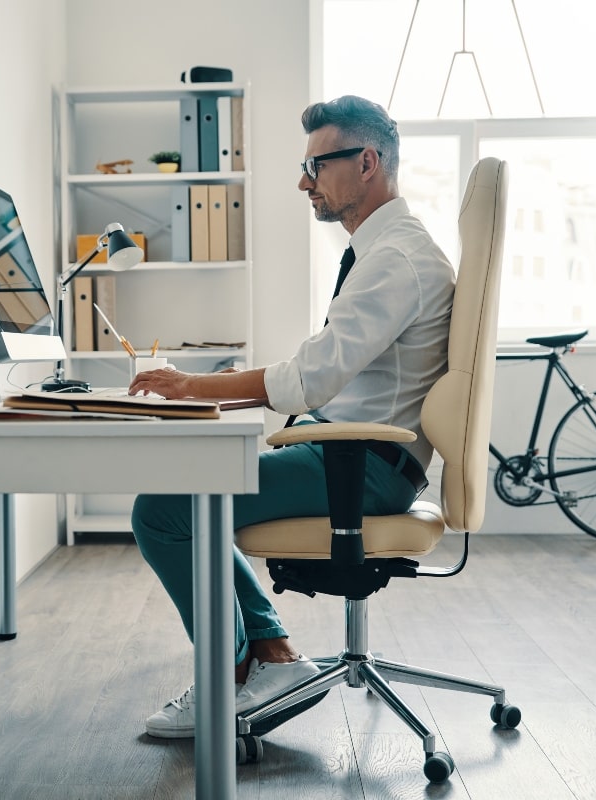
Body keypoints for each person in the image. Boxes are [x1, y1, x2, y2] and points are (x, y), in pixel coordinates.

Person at [128, 95, 456, 739]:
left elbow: (312, 377)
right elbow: (325, 374)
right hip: (350, 447)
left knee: (163, 509)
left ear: (368, 163)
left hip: (362, 466)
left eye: (316, 165)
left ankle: (230, 677)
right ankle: (272, 655)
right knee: (195, 490)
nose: (303, 181)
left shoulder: (396, 260)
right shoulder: (385, 250)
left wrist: (193, 386)